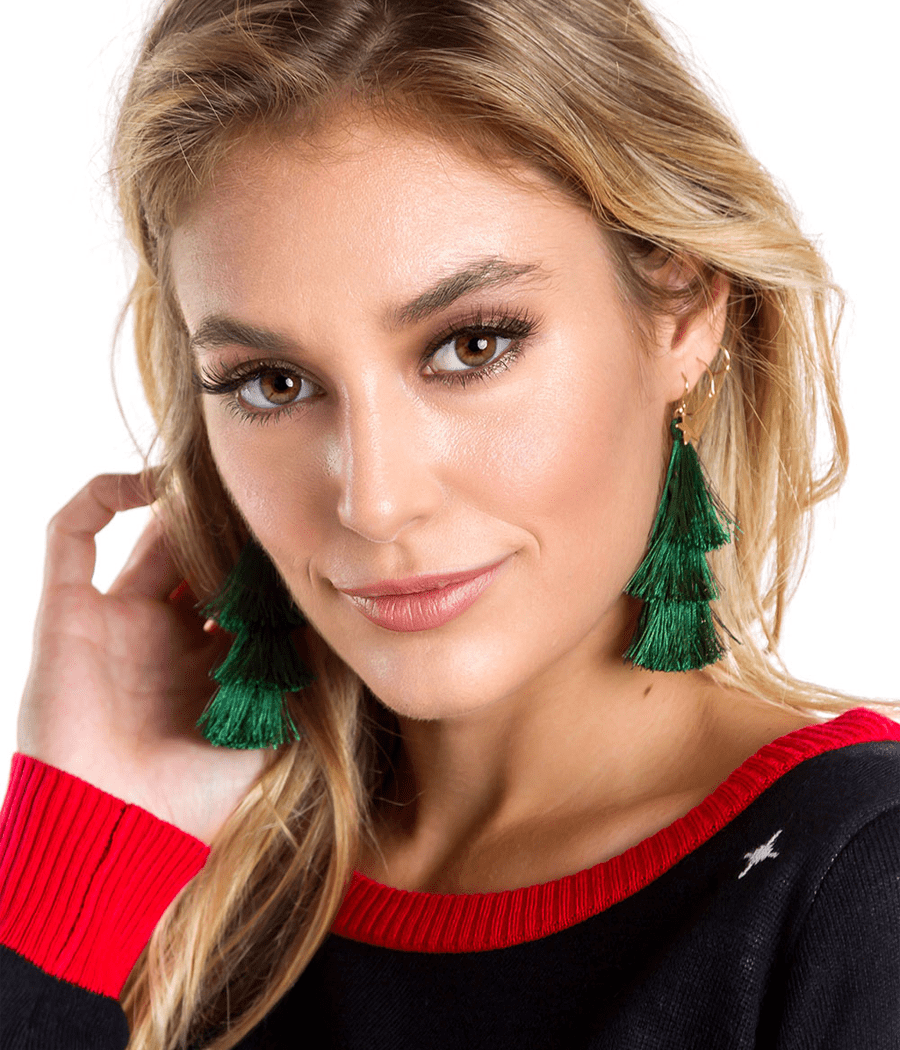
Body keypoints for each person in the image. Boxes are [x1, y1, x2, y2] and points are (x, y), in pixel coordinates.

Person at [1, 0, 898, 1047]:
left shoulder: (858, 886)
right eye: (273, 381)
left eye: (472, 346)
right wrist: (83, 848)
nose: (373, 501)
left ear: (682, 313)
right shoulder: (198, 896)